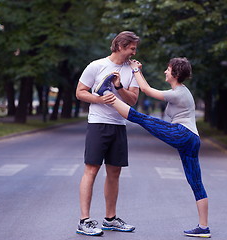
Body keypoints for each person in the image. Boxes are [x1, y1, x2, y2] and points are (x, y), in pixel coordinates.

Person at [98, 57, 211, 238]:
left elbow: (146, 90)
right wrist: (121, 86)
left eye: (168, 69)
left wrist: (136, 70)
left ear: (175, 73)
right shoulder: (180, 91)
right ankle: (203, 227)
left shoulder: (179, 93)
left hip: (182, 134)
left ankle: (106, 94)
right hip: (192, 139)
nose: (165, 72)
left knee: (141, 118)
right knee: (196, 182)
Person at [75, 31, 140, 236]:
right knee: (91, 170)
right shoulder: (96, 66)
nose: (134, 52)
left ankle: (110, 219)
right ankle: (84, 221)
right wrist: (99, 99)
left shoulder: (132, 70)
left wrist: (119, 87)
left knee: (114, 172)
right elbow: (80, 92)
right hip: (98, 123)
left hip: (119, 124)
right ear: (120, 46)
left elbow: (133, 100)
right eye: (131, 48)